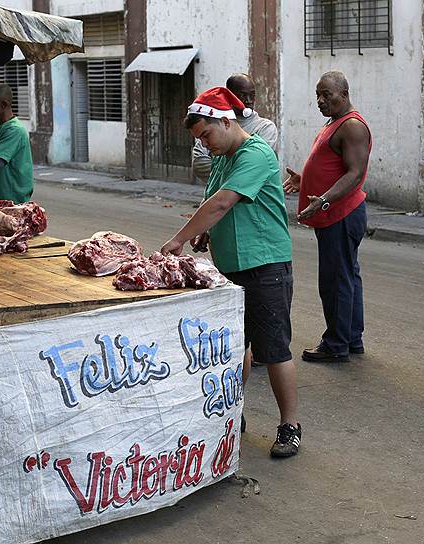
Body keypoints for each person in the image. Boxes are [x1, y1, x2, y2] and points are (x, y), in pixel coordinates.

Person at [161, 87, 301, 458]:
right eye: (199, 140)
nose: (205, 145)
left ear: (226, 121)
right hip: (232, 268)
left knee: (274, 350)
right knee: (237, 347)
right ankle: (231, 413)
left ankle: (290, 425)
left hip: (266, 265)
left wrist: (179, 239)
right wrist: (205, 232)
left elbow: (224, 201)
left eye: (206, 135)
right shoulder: (224, 157)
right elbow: (214, 200)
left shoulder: (255, 154)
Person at [284, 71, 371, 363]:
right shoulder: (335, 123)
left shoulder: (353, 126)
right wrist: (305, 179)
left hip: (341, 214)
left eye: (327, 95)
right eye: (318, 96)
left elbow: (355, 173)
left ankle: (335, 345)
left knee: (336, 279)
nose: (321, 101)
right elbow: (331, 165)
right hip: (335, 213)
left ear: (344, 95)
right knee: (347, 275)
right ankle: (351, 338)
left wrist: (323, 199)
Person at [192, 73, 278, 183]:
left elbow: (254, 167)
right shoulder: (216, 123)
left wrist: (221, 173)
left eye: (252, 95)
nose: (249, 101)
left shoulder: (265, 127)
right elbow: (199, 163)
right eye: (242, 96)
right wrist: (235, 171)